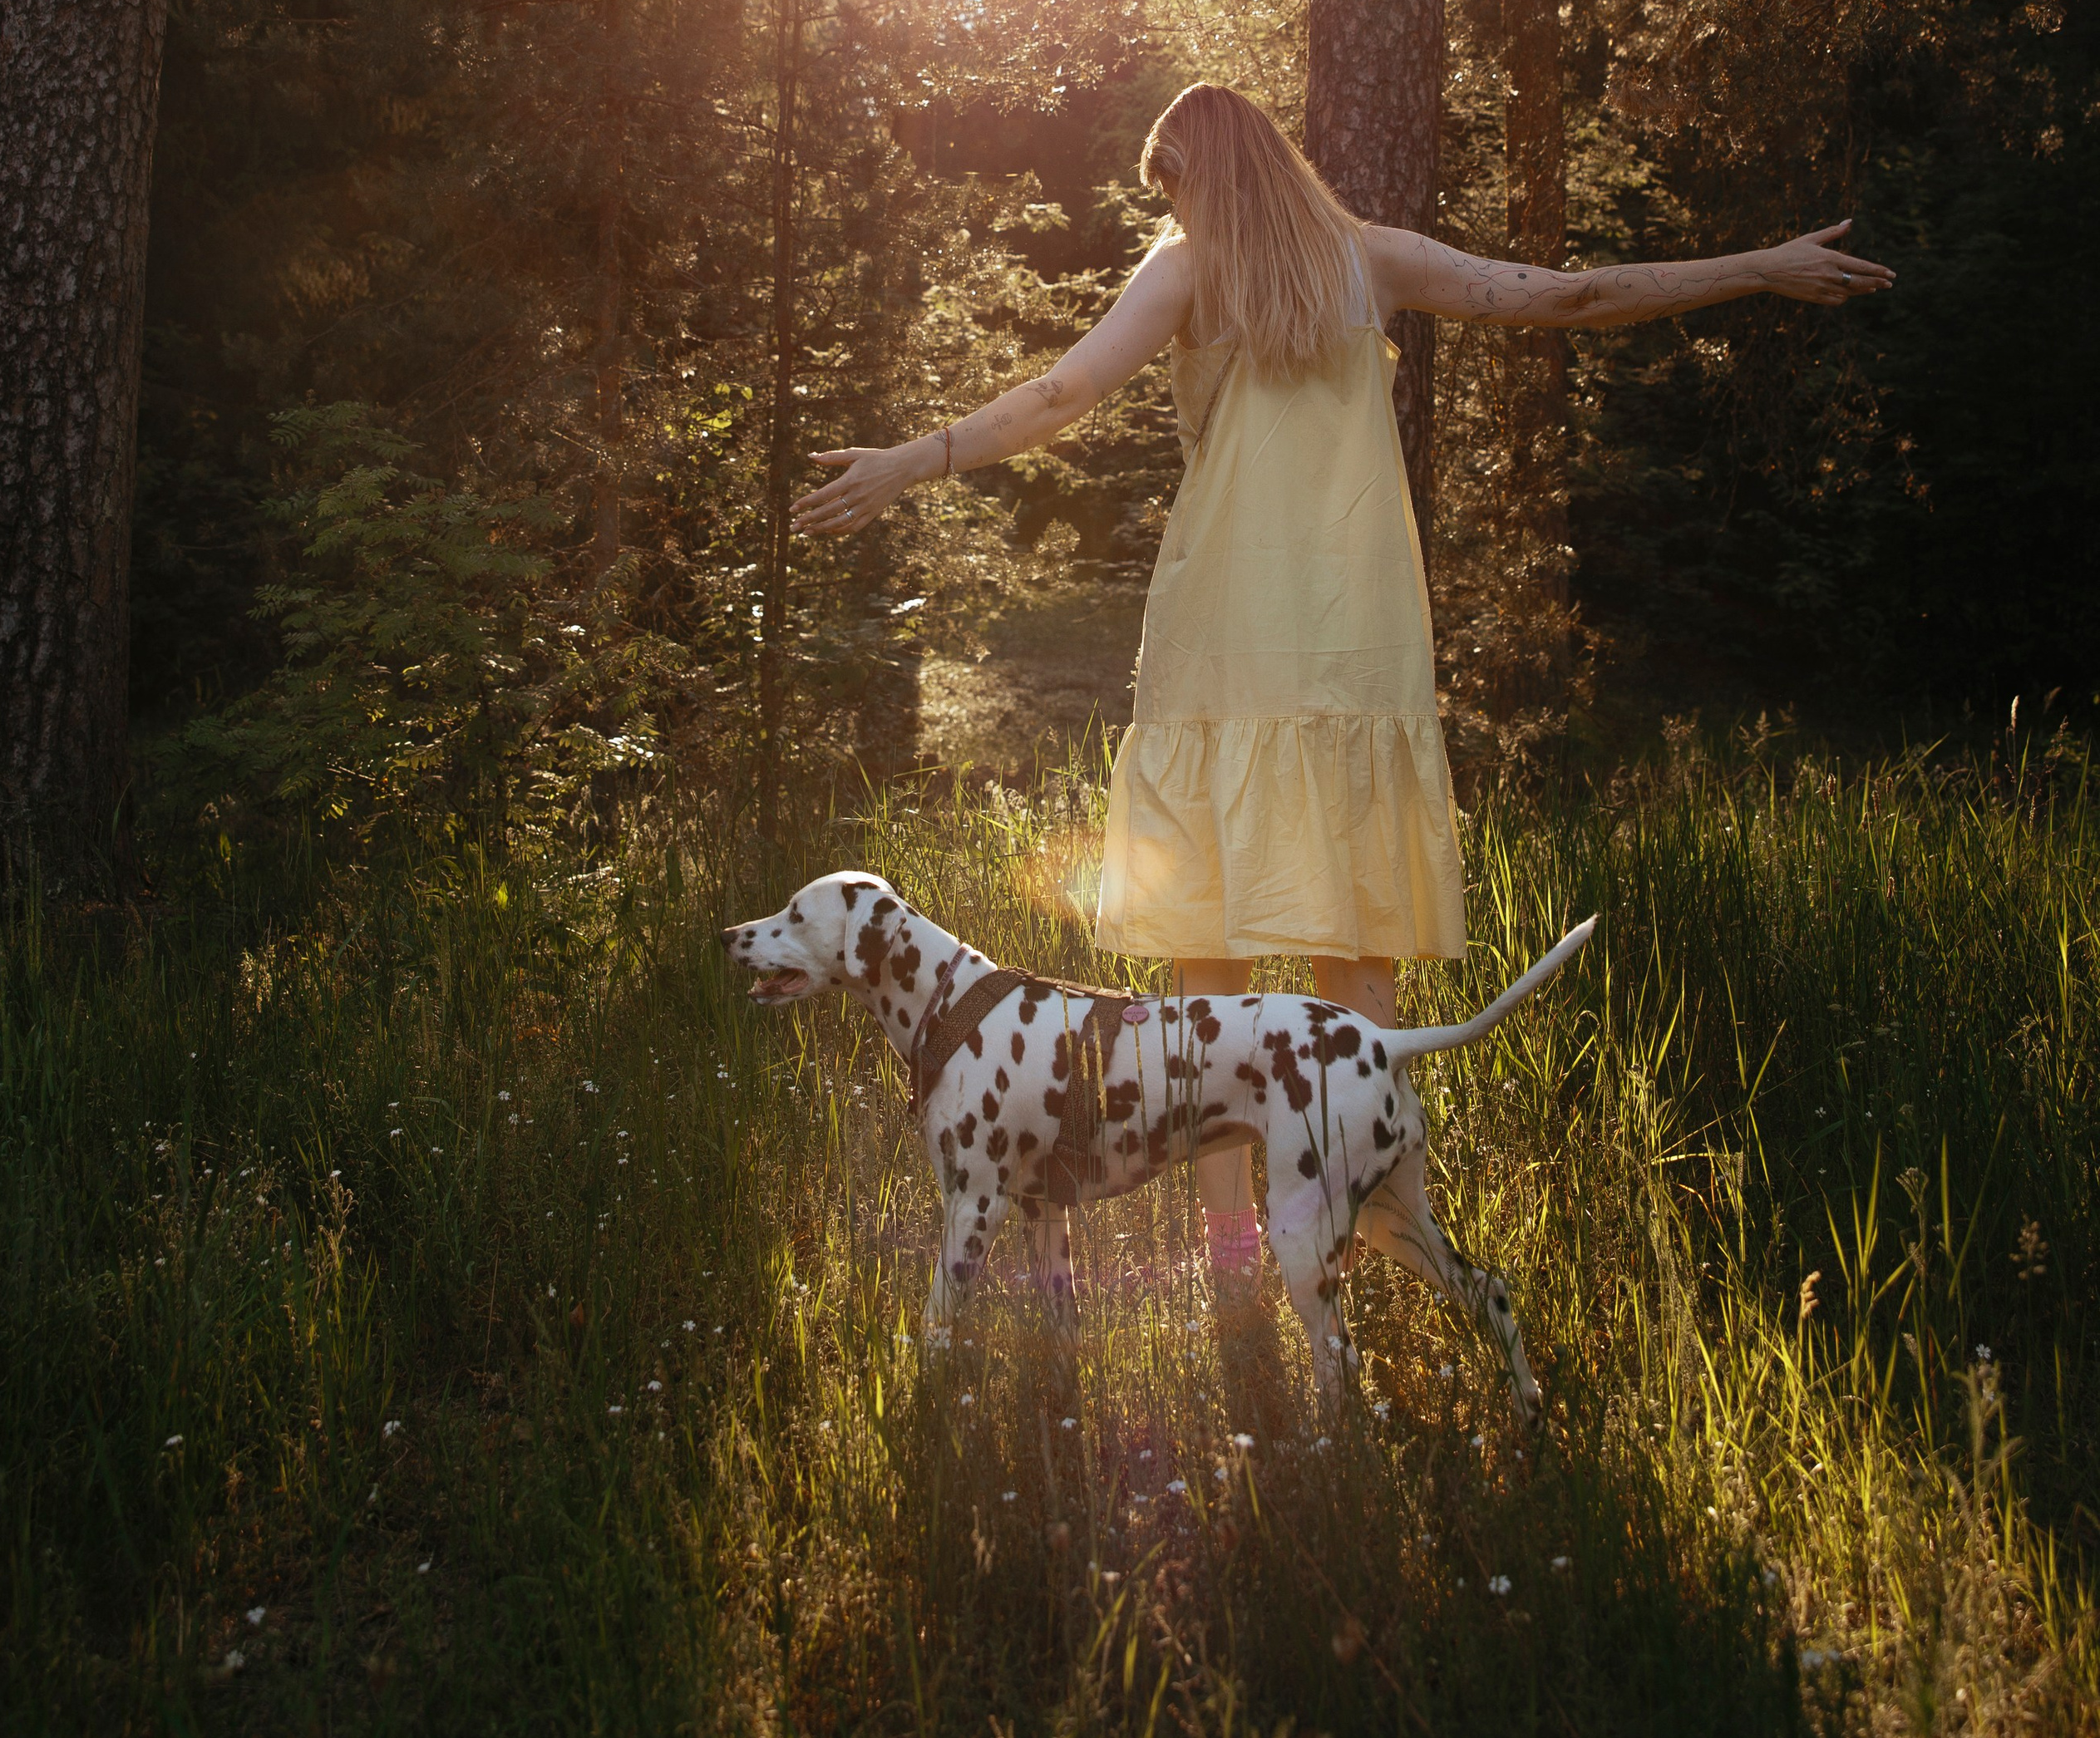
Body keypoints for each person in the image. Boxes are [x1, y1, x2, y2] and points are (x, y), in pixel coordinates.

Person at [793, 81, 1892, 1279]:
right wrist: (1755, 265)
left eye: (1172, 190)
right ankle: (1358, 1247)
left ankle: (1230, 1262)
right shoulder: (1370, 261)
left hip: (1222, 642)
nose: (1173, 212)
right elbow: (1567, 296)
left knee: (1203, 969)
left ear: (1196, 177)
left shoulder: (1187, 269)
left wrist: (909, 462)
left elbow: (1064, 397)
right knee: (1354, 959)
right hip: (1352, 647)